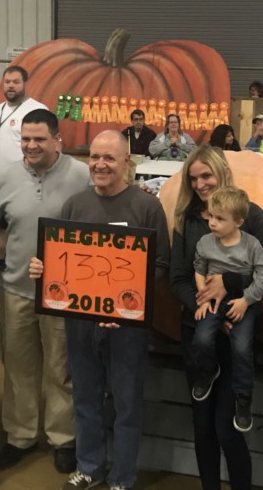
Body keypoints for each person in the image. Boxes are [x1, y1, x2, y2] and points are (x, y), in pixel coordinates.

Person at [28, 130, 169, 490]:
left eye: (109, 158)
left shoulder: (147, 206)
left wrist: (124, 306)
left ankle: (123, 476)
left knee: (126, 402)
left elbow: (160, 265)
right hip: (80, 322)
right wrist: (43, 268)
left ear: (126, 162)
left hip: (127, 327)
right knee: (85, 397)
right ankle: (89, 466)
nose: (100, 165)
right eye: (94, 157)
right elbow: (60, 257)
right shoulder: (75, 205)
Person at [0, 109, 91, 474]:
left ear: (57, 139)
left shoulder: (81, 175)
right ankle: (20, 435)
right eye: (25, 139)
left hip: (64, 293)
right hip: (16, 289)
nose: (31, 146)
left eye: (39, 139)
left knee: (61, 368)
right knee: (18, 366)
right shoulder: (7, 176)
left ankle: (63, 438)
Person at [169, 146, 263, 490]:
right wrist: (206, 307)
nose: (200, 184)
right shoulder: (186, 219)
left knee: (227, 429)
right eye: (193, 178)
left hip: (237, 333)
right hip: (199, 329)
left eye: (206, 175)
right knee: (202, 427)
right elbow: (178, 277)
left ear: (223, 174)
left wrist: (230, 286)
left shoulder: (252, 215)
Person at [190, 187, 263, 433]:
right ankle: (207, 371)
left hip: (243, 301)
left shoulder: (252, 245)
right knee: (202, 338)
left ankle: (243, 396)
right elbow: (199, 269)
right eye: (211, 216)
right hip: (213, 301)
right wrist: (203, 298)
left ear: (238, 222)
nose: (212, 223)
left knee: (242, 347)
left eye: (220, 218)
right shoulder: (205, 242)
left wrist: (246, 300)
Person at [0, 65, 48, 173]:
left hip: (24, 179)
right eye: (7, 82)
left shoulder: (37, 110)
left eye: (16, 82)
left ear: (25, 84)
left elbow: (49, 147)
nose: (10, 85)